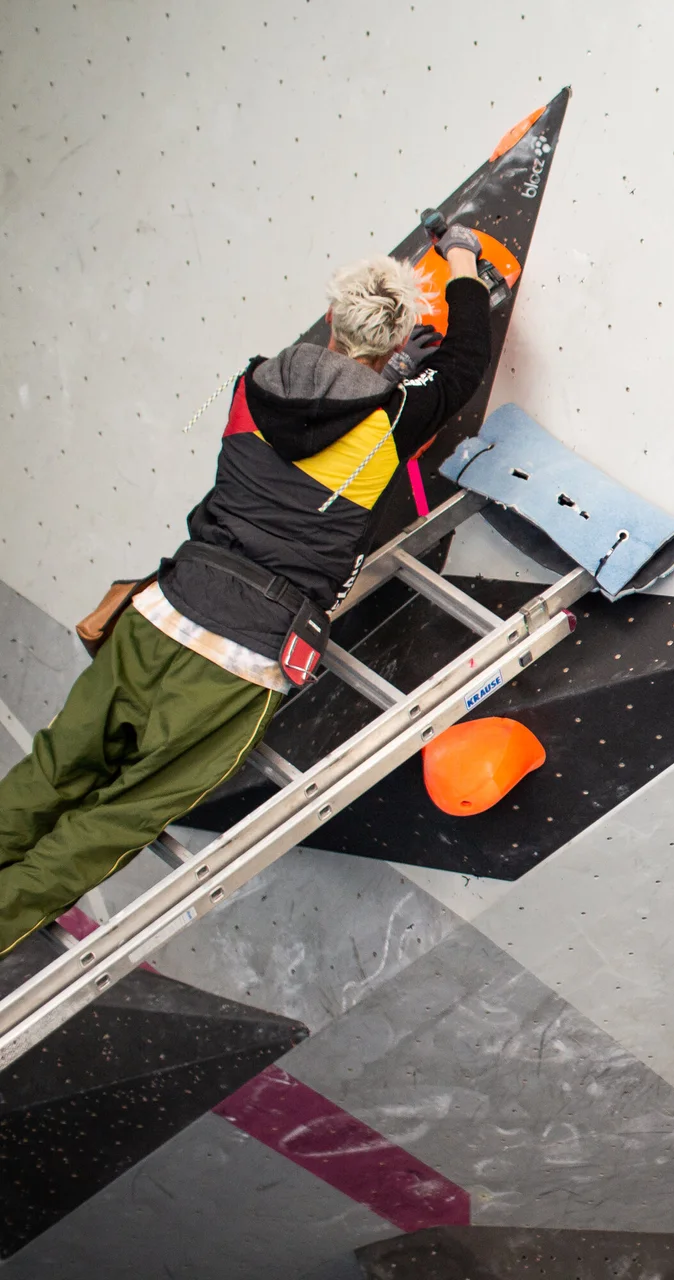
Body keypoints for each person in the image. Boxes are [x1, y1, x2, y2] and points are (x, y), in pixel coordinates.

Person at [0, 228, 495, 956]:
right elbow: (467, 358)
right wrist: (459, 257)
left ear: (331, 320)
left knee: (53, 770)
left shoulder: (252, 382)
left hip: (161, 612)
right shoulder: (394, 414)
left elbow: (321, 401)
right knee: (113, 819)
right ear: (398, 347)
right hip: (236, 658)